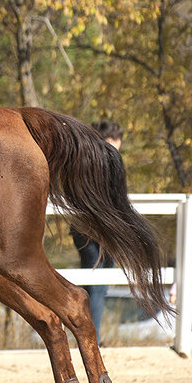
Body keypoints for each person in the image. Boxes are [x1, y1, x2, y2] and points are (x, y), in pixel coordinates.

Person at [69, 120, 124, 346]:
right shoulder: (105, 162)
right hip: (97, 230)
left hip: (90, 229)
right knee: (97, 287)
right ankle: (93, 340)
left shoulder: (82, 160)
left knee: (94, 285)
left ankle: (89, 336)